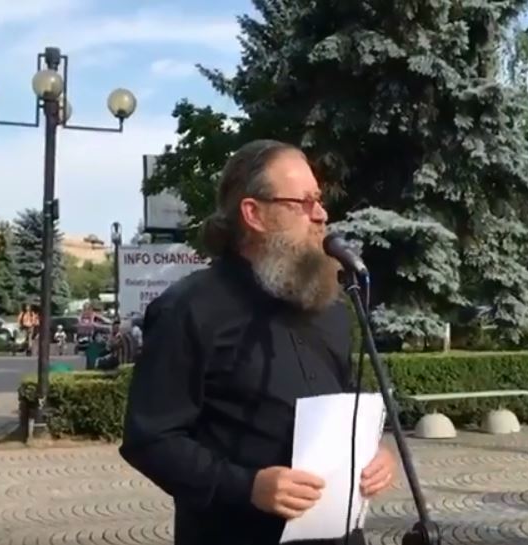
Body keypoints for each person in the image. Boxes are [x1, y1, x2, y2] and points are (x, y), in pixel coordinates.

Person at [120, 139, 397, 545]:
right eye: (303, 202)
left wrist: (374, 452)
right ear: (254, 214)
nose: (320, 214)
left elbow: (344, 406)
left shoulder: (332, 306)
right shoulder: (189, 309)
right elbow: (151, 439)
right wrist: (247, 486)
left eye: (319, 201)